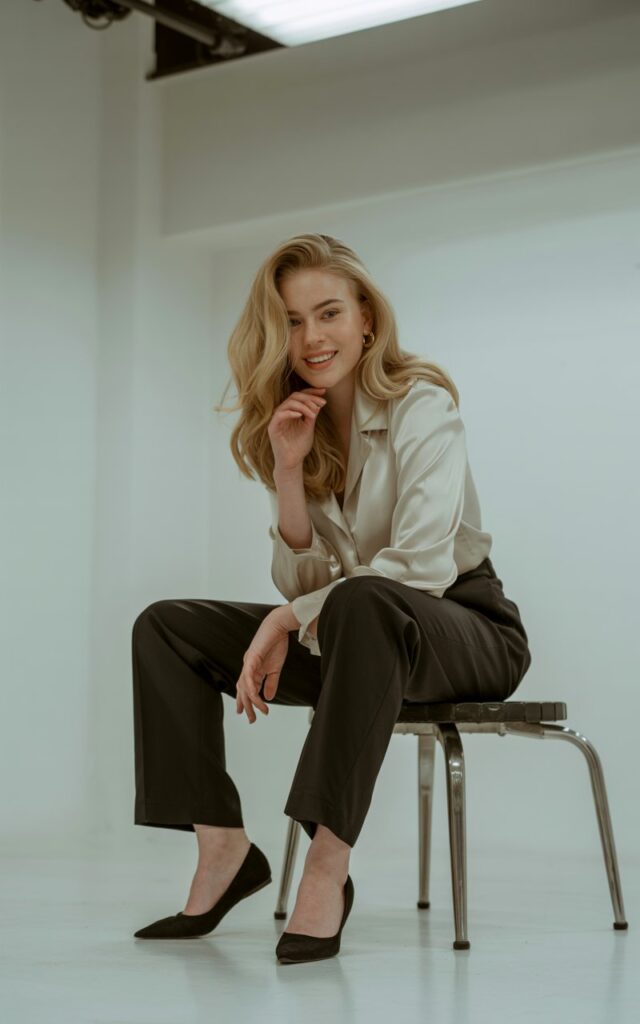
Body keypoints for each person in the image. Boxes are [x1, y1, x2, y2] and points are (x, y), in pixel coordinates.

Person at [131, 232, 532, 964]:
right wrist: (289, 472)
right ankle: (223, 850)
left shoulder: (423, 406)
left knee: (365, 601)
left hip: (463, 627)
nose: (311, 336)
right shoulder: (297, 422)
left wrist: (288, 620)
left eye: (328, 312)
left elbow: (416, 566)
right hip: (355, 637)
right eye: (290, 320)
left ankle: (327, 863)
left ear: (366, 319)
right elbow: (307, 586)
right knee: (166, 628)